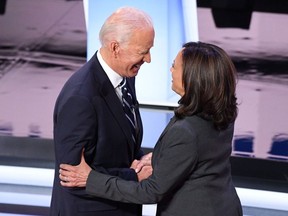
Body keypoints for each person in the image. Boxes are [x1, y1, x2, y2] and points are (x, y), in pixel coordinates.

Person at [59, 41, 243, 216]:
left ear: (192, 77)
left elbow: (151, 191)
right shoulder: (220, 111)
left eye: (174, 66)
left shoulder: (185, 131)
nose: (170, 70)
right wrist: (158, 158)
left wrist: (90, 179)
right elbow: (199, 155)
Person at [49, 6, 155, 216]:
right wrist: (133, 177)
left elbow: (123, 144)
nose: (149, 59)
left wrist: (141, 161)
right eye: (143, 51)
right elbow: (71, 177)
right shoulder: (80, 98)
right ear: (115, 47)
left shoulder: (125, 76)